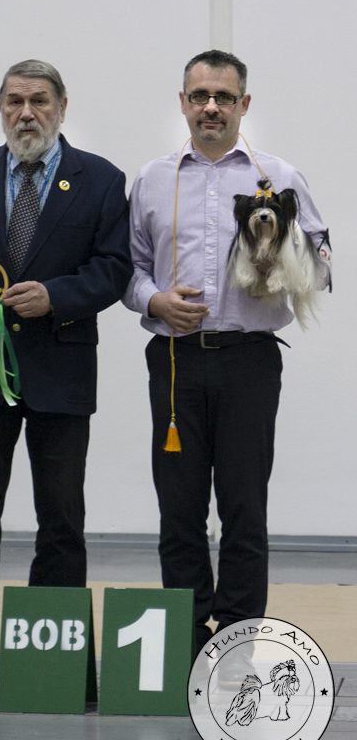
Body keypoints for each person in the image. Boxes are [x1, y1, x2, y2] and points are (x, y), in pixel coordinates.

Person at [0, 59, 132, 688]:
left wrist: (57, 296)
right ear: (0, 108)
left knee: (61, 518)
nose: (27, 113)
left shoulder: (101, 179)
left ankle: (55, 655)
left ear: (62, 107)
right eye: (15, 101)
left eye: (39, 101)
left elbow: (114, 268)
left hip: (60, 371)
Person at [123, 50, 330, 653]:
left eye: (223, 97)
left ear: (244, 104)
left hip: (249, 360)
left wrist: (284, 262)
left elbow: (324, 264)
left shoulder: (280, 176)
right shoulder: (154, 179)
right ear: (183, 103)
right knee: (179, 507)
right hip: (175, 360)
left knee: (244, 506)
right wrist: (155, 300)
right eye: (199, 96)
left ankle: (236, 638)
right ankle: (186, 635)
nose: (210, 107)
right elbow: (129, 268)